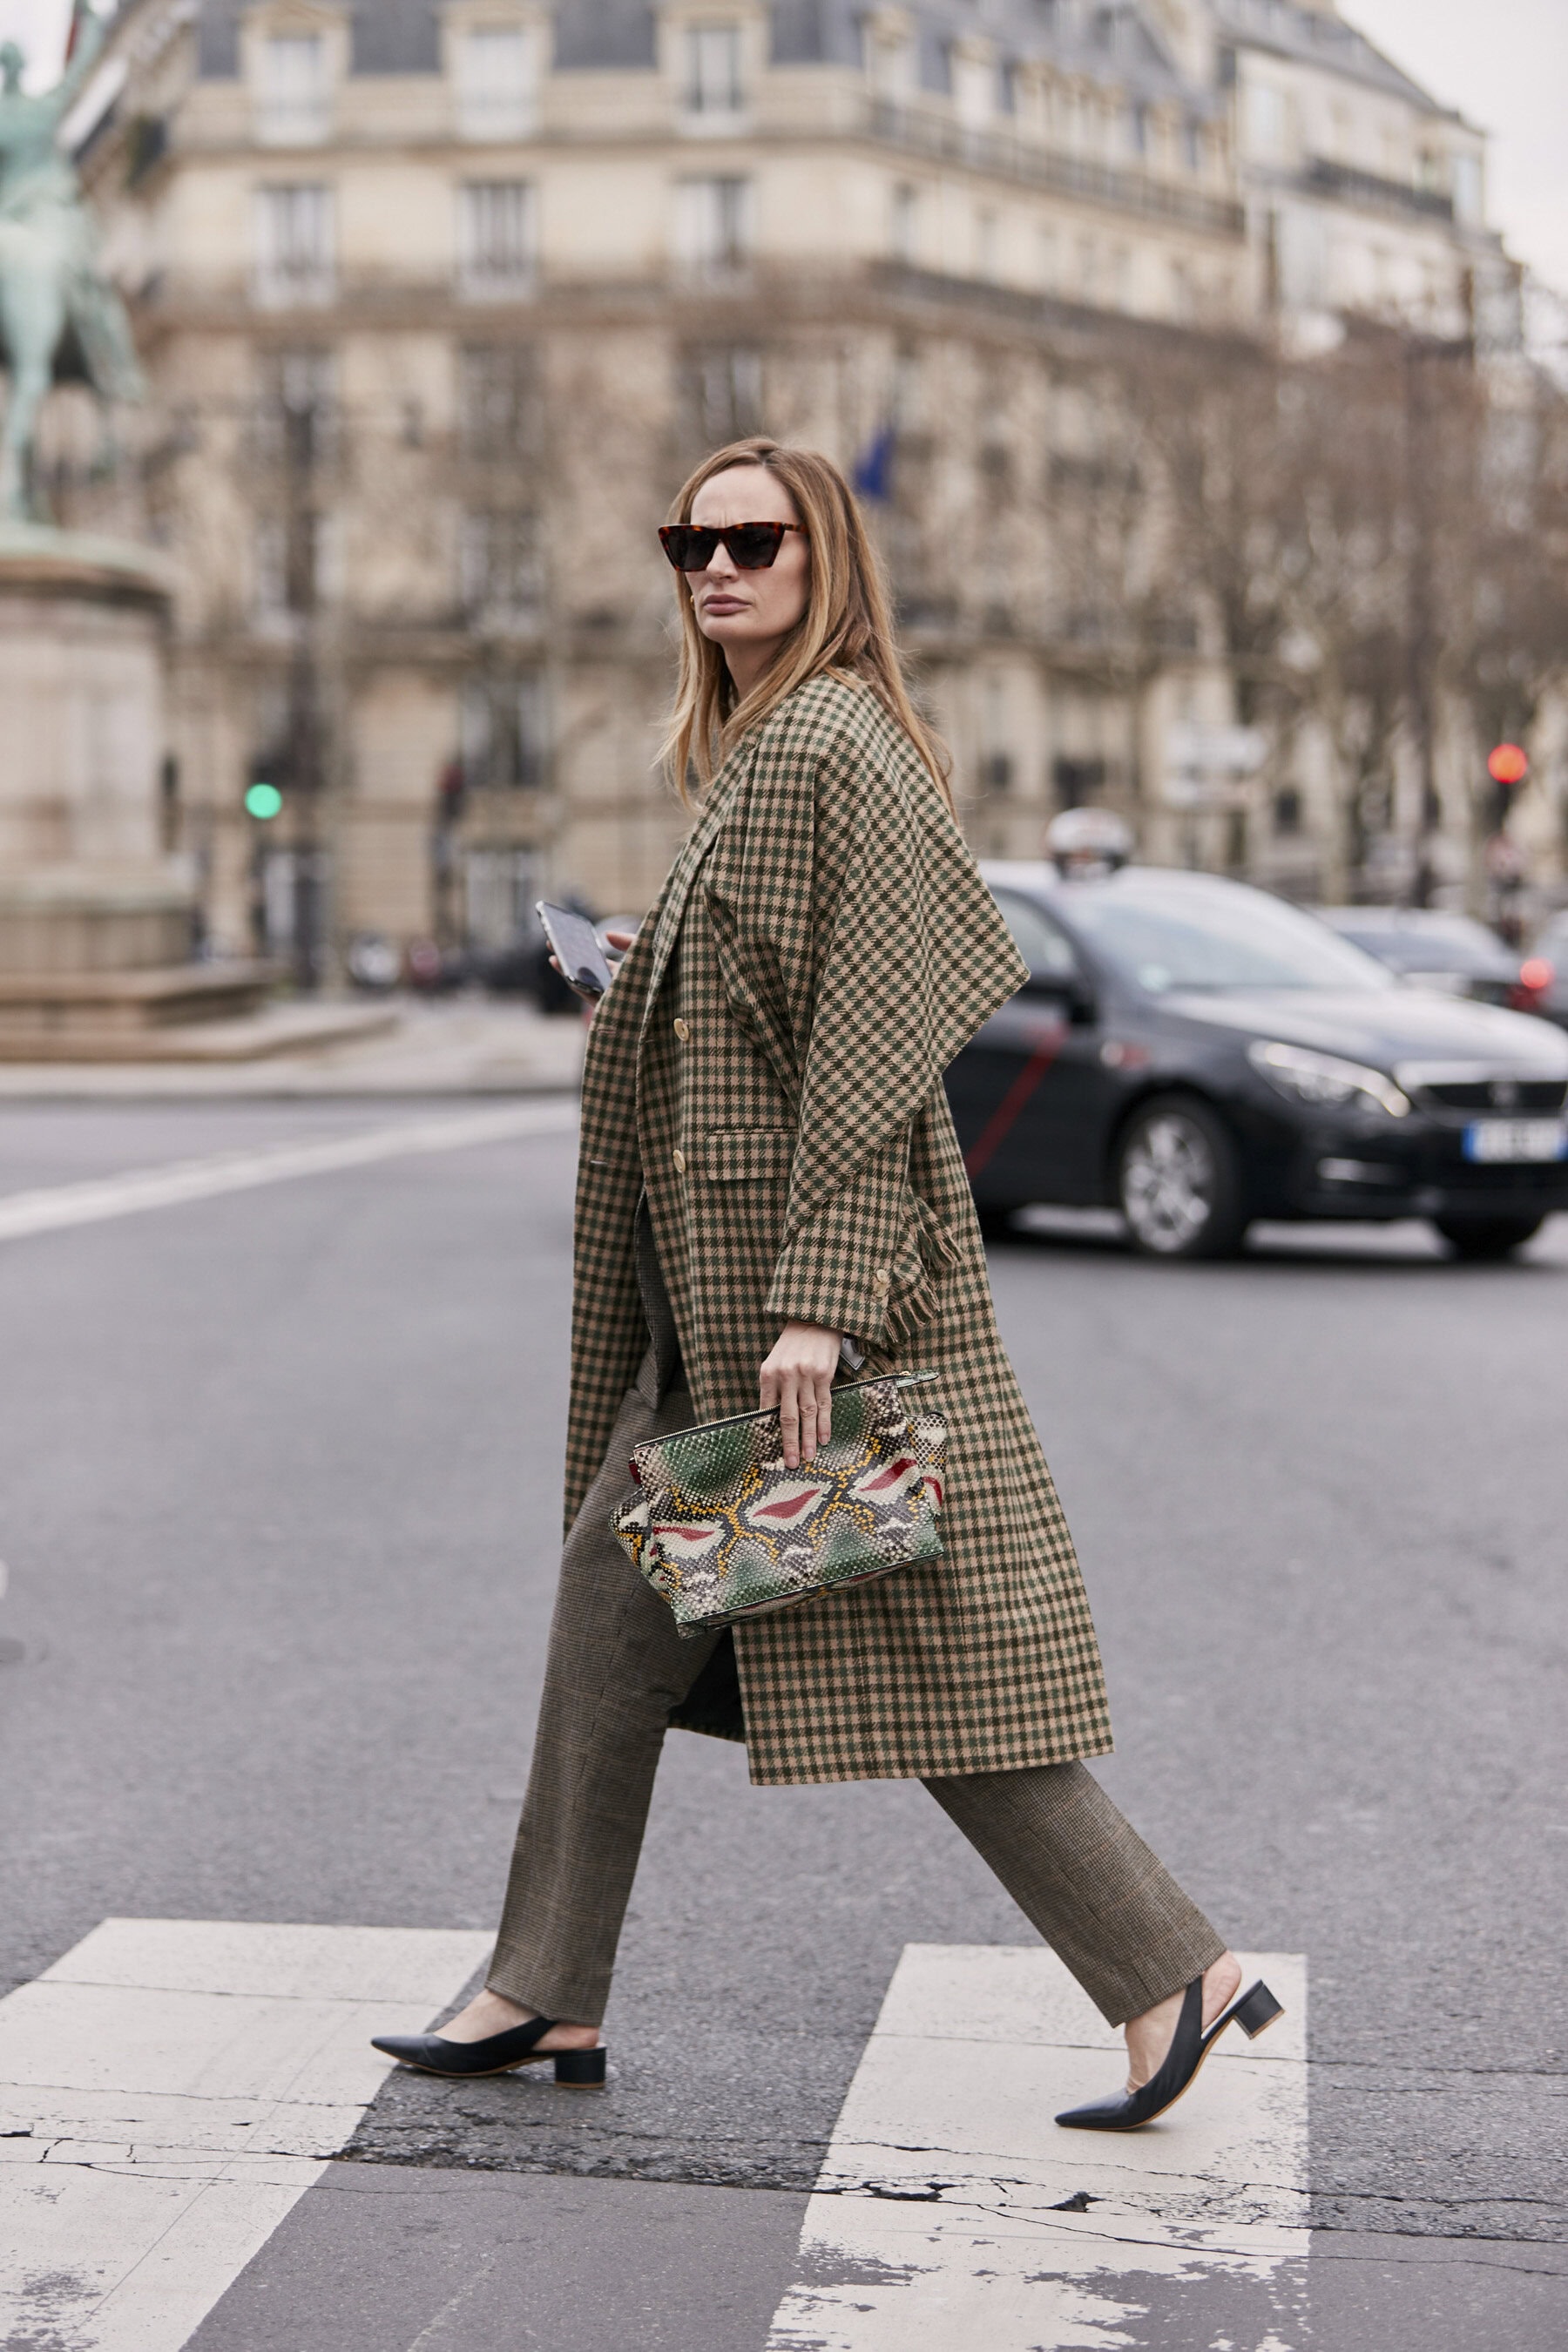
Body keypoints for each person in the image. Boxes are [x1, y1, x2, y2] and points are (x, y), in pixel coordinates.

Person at [373, 439, 1280, 2128]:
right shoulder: (768, 754)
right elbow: (787, 1001)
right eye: (689, 543)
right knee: (609, 1607)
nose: (715, 570)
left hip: (802, 1314)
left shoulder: (838, 744)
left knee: (919, 1652)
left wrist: (825, 1303)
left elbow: (880, 1039)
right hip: (718, 1306)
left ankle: (1171, 1971)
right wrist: (656, 982)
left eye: (752, 541)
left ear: (823, 557)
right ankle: (546, 1988)